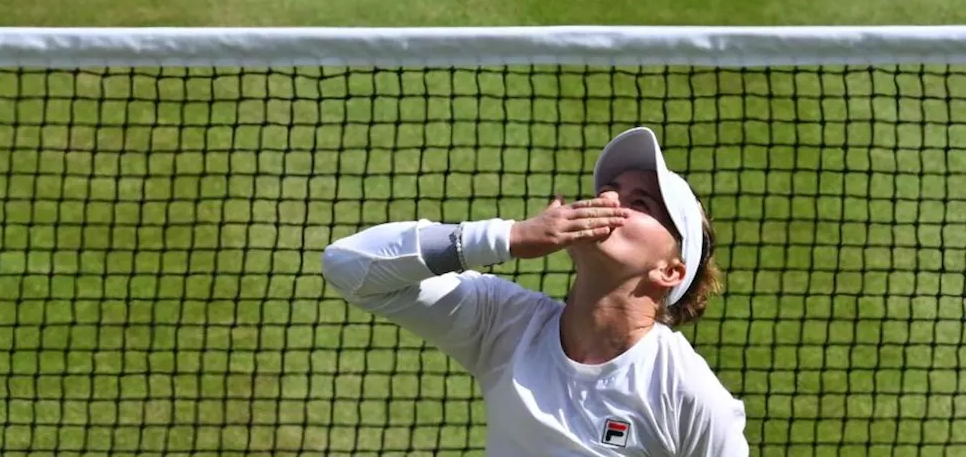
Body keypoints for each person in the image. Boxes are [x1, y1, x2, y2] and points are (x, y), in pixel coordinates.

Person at [320, 126, 748, 455]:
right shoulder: (504, 323)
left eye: (641, 204)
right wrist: (507, 237)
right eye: (608, 190)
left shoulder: (686, 393)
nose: (609, 201)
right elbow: (348, 265)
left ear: (669, 272)